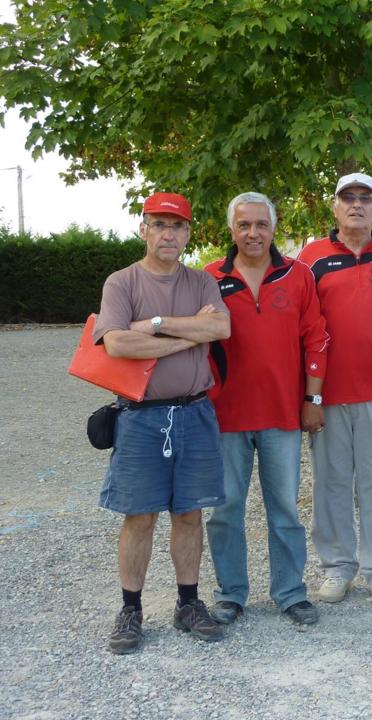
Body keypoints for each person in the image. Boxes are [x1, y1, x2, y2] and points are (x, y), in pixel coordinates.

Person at [94, 192, 231, 654]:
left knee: (189, 513)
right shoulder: (122, 282)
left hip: (194, 411)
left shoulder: (202, 282)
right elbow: (116, 345)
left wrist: (152, 326)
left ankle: (188, 603)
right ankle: (131, 608)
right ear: (143, 229)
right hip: (140, 417)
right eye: (159, 224)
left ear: (189, 234)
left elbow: (219, 329)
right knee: (139, 516)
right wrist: (184, 334)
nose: (168, 234)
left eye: (177, 226)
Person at [204, 192, 329, 627]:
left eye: (261, 224)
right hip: (225, 418)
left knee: (286, 510)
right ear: (232, 229)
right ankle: (230, 594)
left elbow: (316, 340)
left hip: (282, 416)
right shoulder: (209, 278)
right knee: (225, 511)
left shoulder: (298, 276)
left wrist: (312, 399)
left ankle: (290, 592)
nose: (253, 233)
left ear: (273, 227)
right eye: (244, 225)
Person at [298, 173, 372, 609]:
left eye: (366, 198)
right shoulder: (311, 258)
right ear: (334, 207)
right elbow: (304, 331)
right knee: (331, 483)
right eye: (348, 198)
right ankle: (337, 567)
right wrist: (307, 396)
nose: (357, 205)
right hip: (327, 394)